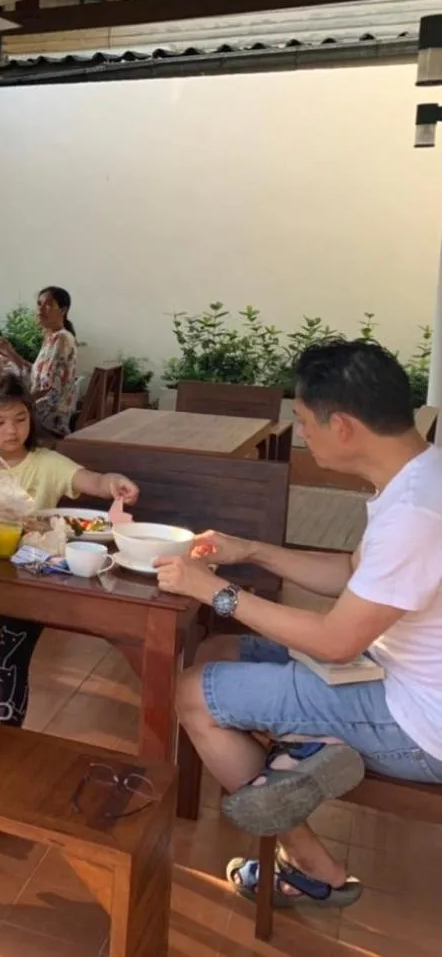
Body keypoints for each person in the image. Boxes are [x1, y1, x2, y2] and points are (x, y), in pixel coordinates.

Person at [154, 339, 442, 912]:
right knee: (217, 653)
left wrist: (214, 590)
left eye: (306, 422)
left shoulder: (417, 513)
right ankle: (303, 748)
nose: (303, 434)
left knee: (191, 692)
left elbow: (336, 640)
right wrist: (251, 550)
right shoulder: (418, 476)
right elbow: (352, 575)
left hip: (417, 721)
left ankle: (313, 868)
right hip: (389, 672)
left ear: (343, 426)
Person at [0, 371, 139, 726]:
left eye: (20, 419)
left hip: (28, 581)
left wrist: (111, 482)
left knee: (10, 664)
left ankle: (8, 736)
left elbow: (90, 480)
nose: (12, 430)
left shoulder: (46, 463)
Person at [0, 286, 79, 437]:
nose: (40, 310)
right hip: (45, 410)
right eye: (39, 304)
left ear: (63, 310)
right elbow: (38, 373)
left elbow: (48, 387)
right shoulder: (52, 337)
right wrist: (12, 355)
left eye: (48, 304)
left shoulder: (61, 339)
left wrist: (21, 403)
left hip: (50, 417)